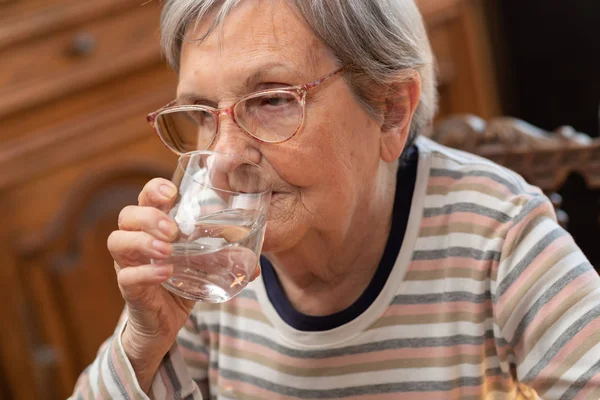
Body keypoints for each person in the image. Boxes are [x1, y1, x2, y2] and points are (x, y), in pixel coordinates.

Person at [71, 0, 600, 398]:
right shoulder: (205, 255)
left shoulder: (498, 232)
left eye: (273, 100)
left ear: (391, 110)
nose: (226, 158)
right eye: (203, 113)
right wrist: (145, 343)